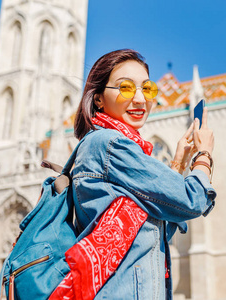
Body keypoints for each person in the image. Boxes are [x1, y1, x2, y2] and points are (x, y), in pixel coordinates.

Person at [51, 49, 216, 299]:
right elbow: (192, 200)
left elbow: (157, 230)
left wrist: (178, 164)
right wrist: (204, 155)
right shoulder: (110, 145)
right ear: (98, 98)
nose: (140, 99)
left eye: (147, 89)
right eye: (125, 88)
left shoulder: (107, 145)